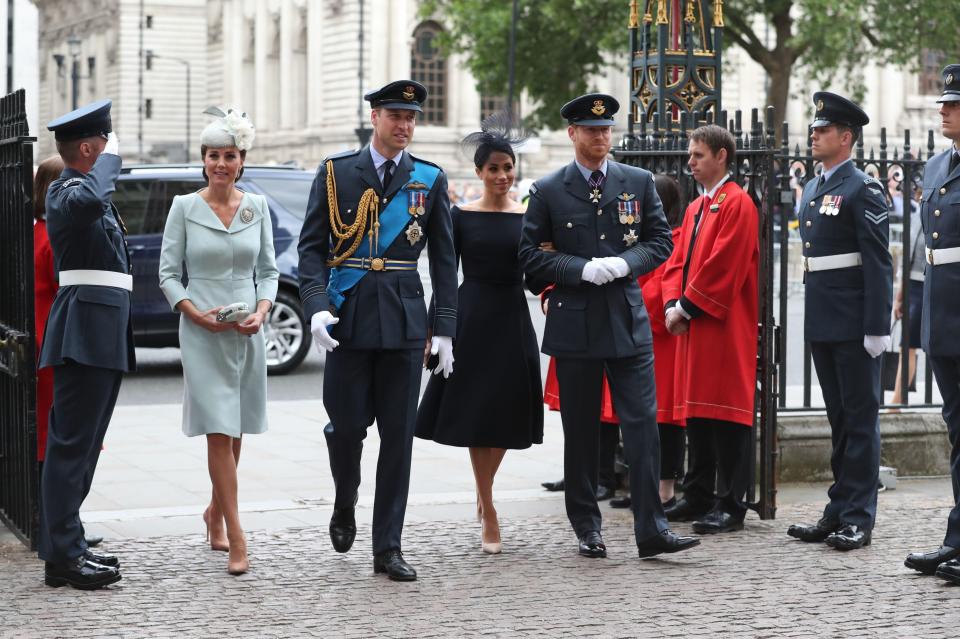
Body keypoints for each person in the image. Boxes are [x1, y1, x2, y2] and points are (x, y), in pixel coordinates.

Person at [518, 92, 699, 560]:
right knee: (580, 431)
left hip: (625, 317)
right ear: (572, 133)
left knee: (642, 427)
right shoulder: (548, 189)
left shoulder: (636, 181)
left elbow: (660, 242)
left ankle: (651, 528)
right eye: (591, 130)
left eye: (606, 130)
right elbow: (529, 258)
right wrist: (578, 269)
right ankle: (586, 526)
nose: (600, 137)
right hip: (575, 321)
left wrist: (622, 263)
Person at [298, 80, 457, 582]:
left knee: (398, 439)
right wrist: (317, 306)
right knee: (346, 429)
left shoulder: (428, 179)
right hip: (348, 318)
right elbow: (310, 249)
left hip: (406, 324)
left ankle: (388, 545)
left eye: (410, 118)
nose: (404, 126)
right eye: (395, 116)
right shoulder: (336, 173)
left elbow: (445, 258)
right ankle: (345, 499)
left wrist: (445, 327)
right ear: (375, 117)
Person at [416, 113, 544, 555]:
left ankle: (484, 492)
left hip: (512, 317)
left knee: (506, 413)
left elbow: (536, 274)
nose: (502, 176)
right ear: (479, 172)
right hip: (472, 316)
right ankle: (488, 506)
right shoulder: (460, 215)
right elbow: (445, 275)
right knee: (476, 413)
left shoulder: (529, 217)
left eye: (508, 167)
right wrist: (436, 330)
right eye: (493, 168)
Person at [159, 106, 278, 575]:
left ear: (241, 160)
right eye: (213, 156)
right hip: (202, 332)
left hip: (247, 331)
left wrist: (263, 312)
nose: (221, 164)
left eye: (230, 155)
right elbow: (168, 274)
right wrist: (194, 314)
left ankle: (214, 514)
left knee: (238, 426)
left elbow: (268, 272)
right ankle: (236, 534)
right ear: (203, 161)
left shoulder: (258, 207)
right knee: (218, 429)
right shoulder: (183, 208)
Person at [786, 92, 893, 551]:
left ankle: (858, 516)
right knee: (838, 420)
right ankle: (838, 507)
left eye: (823, 129)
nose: (814, 134)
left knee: (860, 420)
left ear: (846, 137)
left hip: (853, 322)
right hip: (823, 319)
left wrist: (877, 327)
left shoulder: (862, 188)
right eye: (814, 128)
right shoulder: (813, 188)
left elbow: (877, 262)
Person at [38, 99, 131, 589]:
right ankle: (63, 554)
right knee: (72, 445)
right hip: (85, 331)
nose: (112, 151)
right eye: (107, 144)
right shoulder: (66, 190)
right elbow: (91, 202)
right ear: (90, 147)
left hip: (103, 330)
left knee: (86, 446)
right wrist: (110, 161)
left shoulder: (84, 190)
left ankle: (66, 547)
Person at [660, 125, 760, 534]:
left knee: (727, 416)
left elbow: (724, 266)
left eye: (698, 155)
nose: (690, 162)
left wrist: (685, 306)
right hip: (694, 325)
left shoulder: (738, 203)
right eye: (690, 154)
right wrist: (671, 303)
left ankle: (731, 502)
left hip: (722, 324)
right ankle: (698, 492)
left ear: (721, 156)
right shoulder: (697, 208)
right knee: (697, 413)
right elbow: (675, 261)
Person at [904, 64, 960, 583]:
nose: (942, 108)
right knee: (957, 428)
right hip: (943, 317)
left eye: (953, 102)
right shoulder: (940, 165)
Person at [613, 174, 688, 511]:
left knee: (666, 420)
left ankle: (665, 489)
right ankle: (643, 485)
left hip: (663, 341)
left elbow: (659, 293)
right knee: (641, 419)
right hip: (639, 336)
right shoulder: (641, 239)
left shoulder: (673, 238)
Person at [890, 179, 924, 406]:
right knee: (908, 345)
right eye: (918, 192)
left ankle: (897, 400)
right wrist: (899, 296)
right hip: (913, 285)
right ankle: (897, 400)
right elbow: (906, 257)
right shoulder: (916, 216)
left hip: (928, 284)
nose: (919, 196)